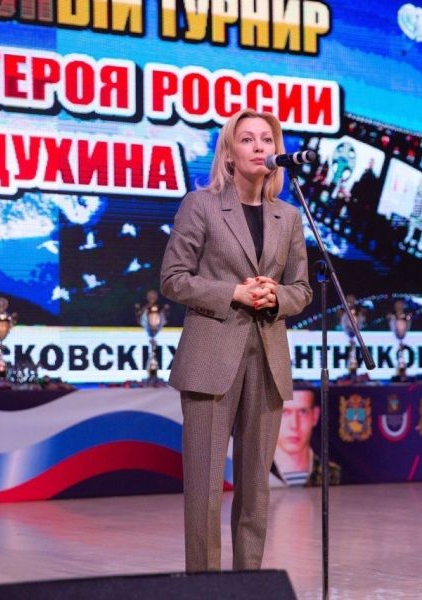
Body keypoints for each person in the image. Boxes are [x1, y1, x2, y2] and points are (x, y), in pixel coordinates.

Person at [160, 109, 312, 572]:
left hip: (267, 362)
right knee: (205, 487)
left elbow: (302, 289)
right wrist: (233, 292)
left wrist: (275, 295)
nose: (260, 146)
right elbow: (173, 278)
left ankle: (249, 585)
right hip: (210, 360)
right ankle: (205, 587)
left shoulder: (288, 216)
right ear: (228, 153)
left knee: (256, 490)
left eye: (267, 139)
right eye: (247, 139)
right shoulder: (201, 205)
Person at [271, 389, 341, 487]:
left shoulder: (333, 474)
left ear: (315, 416)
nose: (294, 425)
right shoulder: (255, 473)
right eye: (284, 412)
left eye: (303, 412)